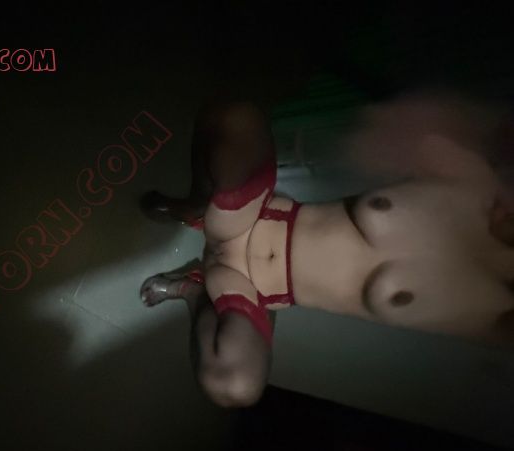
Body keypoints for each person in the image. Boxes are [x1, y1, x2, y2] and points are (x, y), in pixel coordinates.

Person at [139, 96, 514, 408]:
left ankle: (192, 290)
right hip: (254, 215)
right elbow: (402, 134)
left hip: (251, 288)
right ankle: (198, 206)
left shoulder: (497, 312)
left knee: (233, 385)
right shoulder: (479, 184)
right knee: (234, 116)